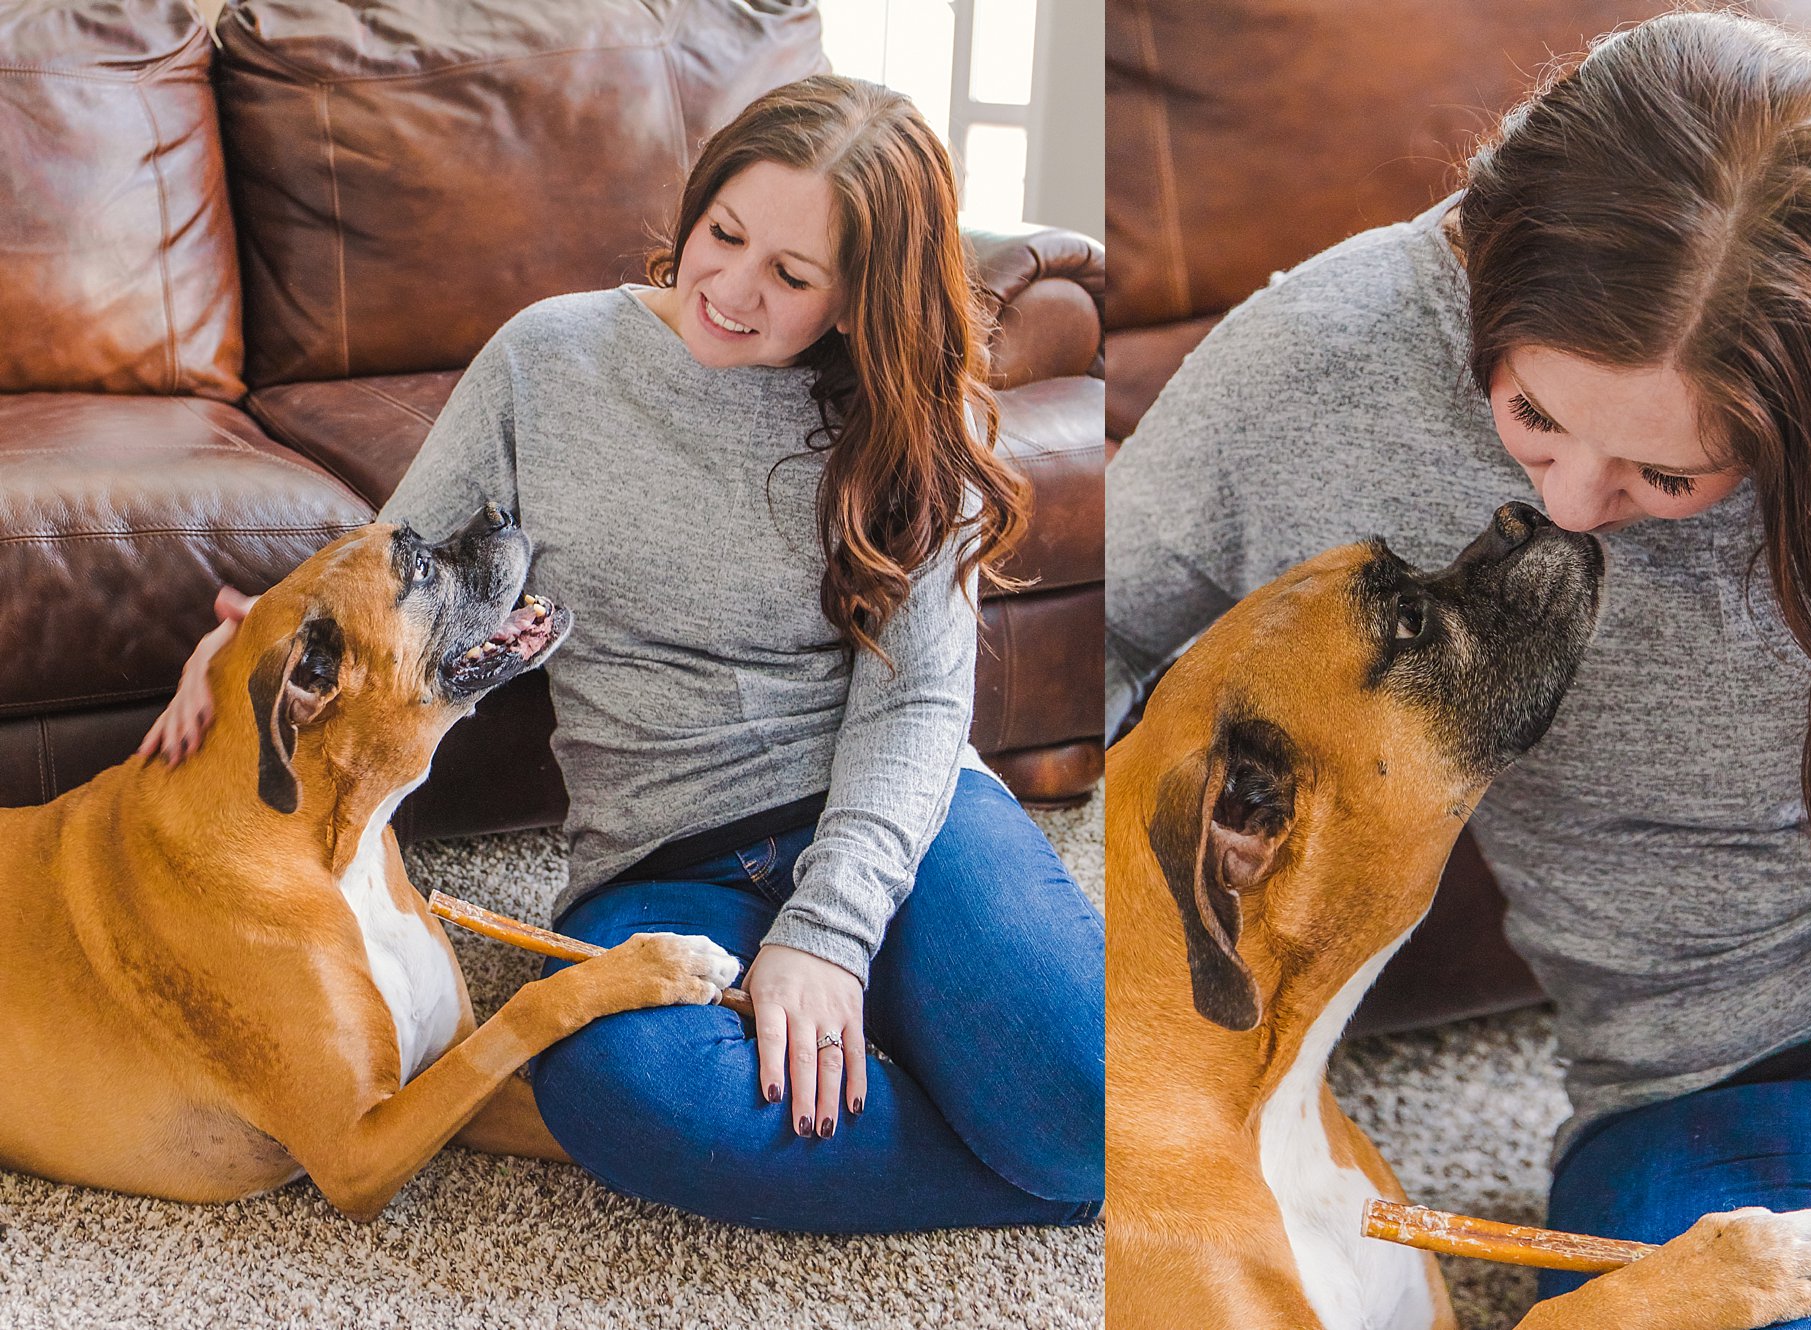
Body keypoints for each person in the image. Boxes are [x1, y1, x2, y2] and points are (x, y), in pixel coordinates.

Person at [1107, 11, 1811, 1327]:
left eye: (1672, 472)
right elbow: (1088, 649)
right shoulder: (1322, 368)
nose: (1573, 504)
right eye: (1531, 416)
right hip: (1728, 1074)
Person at [141, 74, 1103, 1234]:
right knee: (611, 1092)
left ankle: (964, 1084)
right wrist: (249, 640)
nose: (730, 289)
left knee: (1077, 1101)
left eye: (791, 277)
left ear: (859, 298)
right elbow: (403, 557)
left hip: (906, 820)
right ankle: (1026, 1153)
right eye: (722, 234)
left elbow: (913, 715)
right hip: (663, 855)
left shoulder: (909, 434)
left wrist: (829, 933)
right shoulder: (547, 361)